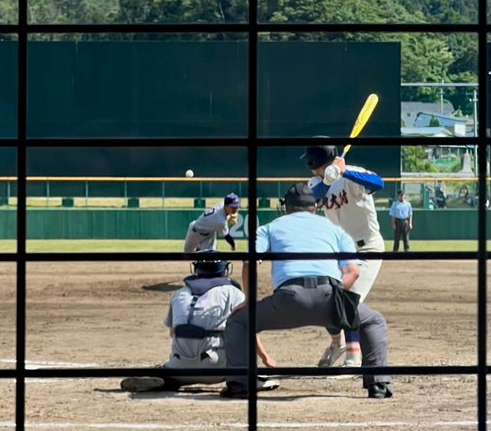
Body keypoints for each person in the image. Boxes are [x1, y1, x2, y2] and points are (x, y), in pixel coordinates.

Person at [222, 183, 392, 399]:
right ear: (314, 208)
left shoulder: (270, 227)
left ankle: (239, 384)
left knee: (239, 321)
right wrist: (335, 297)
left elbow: (250, 260)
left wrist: (249, 299)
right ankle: (378, 385)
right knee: (373, 321)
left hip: (288, 299)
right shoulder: (334, 229)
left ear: (286, 208)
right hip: (328, 295)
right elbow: (353, 272)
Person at [121, 259, 276, 393]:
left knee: (173, 363)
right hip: (217, 368)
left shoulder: (179, 294)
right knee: (243, 330)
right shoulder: (232, 293)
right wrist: (265, 357)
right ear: (225, 269)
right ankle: (245, 380)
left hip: (179, 367)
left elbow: (172, 333)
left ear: (195, 269)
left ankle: (166, 378)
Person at [303, 144, 385, 370]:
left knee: (348, 300)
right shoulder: (316, 183)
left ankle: (353, 359)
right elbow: (309, 202)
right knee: (325, 300)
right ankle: (336, 344)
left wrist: (345, 171)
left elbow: (379, 183)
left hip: (367, 249)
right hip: (339, 254)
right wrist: (328, 181)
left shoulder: (353, 173)